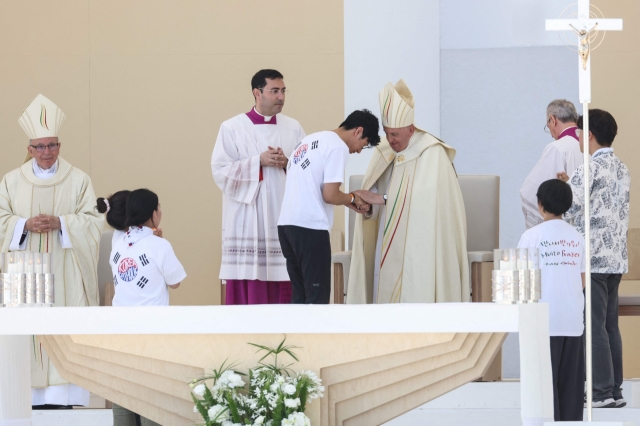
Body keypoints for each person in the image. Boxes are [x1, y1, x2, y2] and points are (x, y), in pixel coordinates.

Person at [0, 94, 103, 407]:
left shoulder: (78, 180)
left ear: (60, 145)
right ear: (30, 149)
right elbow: (2, 219)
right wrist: (23, 225)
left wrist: (62, 222)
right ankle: (26, 395)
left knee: (63, 325)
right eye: (41, 147)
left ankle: (64, 396)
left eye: (53, 145)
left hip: (65, 270)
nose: (48, 153)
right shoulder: (11, 181)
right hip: (24, 271)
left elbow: (92, 222)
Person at [346, 80, 469, 304]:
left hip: (420, 240)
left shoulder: (432, 152)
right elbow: (375, 190)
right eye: (387, 133)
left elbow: (428, 202)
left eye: (395, 134)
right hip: (386, 233)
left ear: (411, 129)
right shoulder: (385, 149)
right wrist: (367, 203)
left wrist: (382, 199)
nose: (390, 140)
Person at [211, 69, 306, 305]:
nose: (281, 97)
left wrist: (288, 163)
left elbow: (308, 168)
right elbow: (220, 170)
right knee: (250, 282)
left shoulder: (293, 128)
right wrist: (258, 162)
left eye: (283, 91)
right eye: (274, 91)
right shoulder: (232, 128)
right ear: (257, 93)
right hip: (248, 219)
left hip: (282, 214)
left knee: (285, 273)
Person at [558, 109, 630, 409]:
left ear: (588, 134)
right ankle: (614, 389)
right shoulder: (622, 168)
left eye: (578, 132)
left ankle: (600, 391)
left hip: (593, 260)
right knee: (610, 325)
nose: (576, 138)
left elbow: (569, 207)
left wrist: (562, 184)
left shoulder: (588, 168)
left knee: (593, 325)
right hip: (616, 257)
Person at [277, 109, 380, 304]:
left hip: (286, 227)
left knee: (300, 297)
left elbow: (315, 190)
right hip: (310, 228)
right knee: (317, 300)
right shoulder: (337, 147)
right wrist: (352, 197)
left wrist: (350, 200)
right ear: (358, 131)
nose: (358, 150)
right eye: (363, 145)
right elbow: (330, 195)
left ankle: (296, 335)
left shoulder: (309, 141)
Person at [108, 188, 186, 426]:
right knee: (152, 396)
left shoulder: (117, 240)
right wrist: (158, 240)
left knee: (123, 393)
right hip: (153, 332)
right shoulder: (159, 246)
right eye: (159, 207)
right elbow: (175, 282)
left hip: (120, 330)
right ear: (153, 213)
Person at [517, 179, 585, 421]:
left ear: (540, 204)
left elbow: (522, 282)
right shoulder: (577, 237)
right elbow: (583, 279)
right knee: (571, 385)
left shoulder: (531, 236)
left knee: (544, 385)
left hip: (542, 320)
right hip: (573, 319)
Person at [520, 100, 583, 229]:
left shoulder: (557, 148)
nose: (550, 134)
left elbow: (531, 192)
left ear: (552, 119)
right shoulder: (590, 144)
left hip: (564, 229)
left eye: (548, 126)